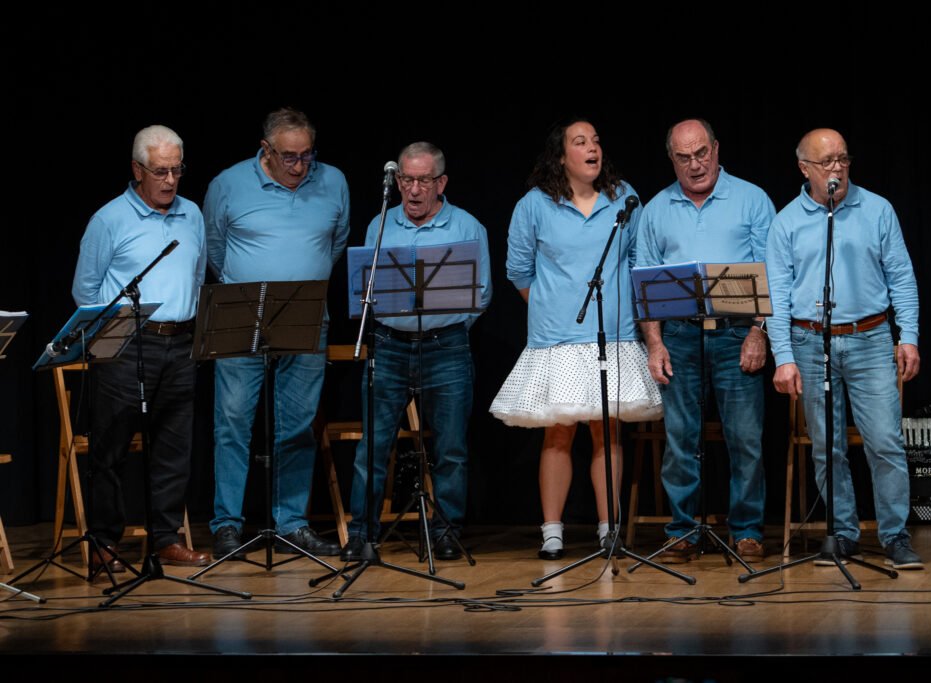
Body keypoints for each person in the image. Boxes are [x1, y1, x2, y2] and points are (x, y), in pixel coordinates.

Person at [491, 119, 661, 559]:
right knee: (558, 434)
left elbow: (639, 261)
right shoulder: (535, 204)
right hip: (558, 338)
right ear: (561, 155)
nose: (592, 148)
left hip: (613, 335)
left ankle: (609, 528)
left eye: (596, 141)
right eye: (580, 142)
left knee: (607, 431)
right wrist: (553, 306)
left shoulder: (623, 197)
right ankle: (552, 531)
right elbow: (518, 271)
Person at [765, 128, 923, 569]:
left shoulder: (877, 210)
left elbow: (902, 277)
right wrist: (784, 358)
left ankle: (895, 535)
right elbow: (776, 296)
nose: (837, 168)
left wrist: (908, 336)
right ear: (805, 169)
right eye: (827, 162)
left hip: (870, 337)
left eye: (843, 158)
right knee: (826, 447)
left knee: (885, 442)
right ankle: (843, 534)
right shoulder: (786, 222)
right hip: (809, 341)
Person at [204, 108, 350, 559]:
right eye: (289, 156)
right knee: (232, 422)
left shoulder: (334, 181)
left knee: (298, 425)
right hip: (241, 313)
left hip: (306, 314)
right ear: (265, 150)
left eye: (307, 155)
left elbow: (336, 242)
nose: (300, 166)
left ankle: (291, 525)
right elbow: (214, 248)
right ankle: (228, 525)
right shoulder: (228, 184)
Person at [340, 142, 491, 562]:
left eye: (423, 180)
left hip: (446, 348)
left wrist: (445, 326)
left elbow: (480, 294)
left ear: (441, 183)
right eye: (406, 179)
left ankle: (446, 531)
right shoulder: (380, 225)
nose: (413, 189)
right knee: (373, 448)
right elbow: (367, 290)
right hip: (389, 346)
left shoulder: (467, 227)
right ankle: (362, 535)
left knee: (450, 450)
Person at [635, 118, 775, 562]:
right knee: (681, 441)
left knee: (745, 440)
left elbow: (774, 273)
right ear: (671, 160)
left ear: (716, 149)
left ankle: (747, 531)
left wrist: (759, 332)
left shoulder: (752, 199)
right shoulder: (655, 209)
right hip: (679, 336)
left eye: (701, 153)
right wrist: (655, 344)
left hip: (737, 334)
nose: (695, 164)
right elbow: (645, 286)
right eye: (684, 157)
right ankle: (682, 531)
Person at [72, 124, 210, 570]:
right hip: (126, 343)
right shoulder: (109, 219)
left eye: (177, 170)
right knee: (110, 449)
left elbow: (197, 275)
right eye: (160, 171)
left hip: (180, 342)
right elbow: (85, 290)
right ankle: (104, 542)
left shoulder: (192, 214)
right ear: (137, 170)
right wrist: (112, 335)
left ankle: (165, 538)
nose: (170, 180)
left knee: (173, 449)